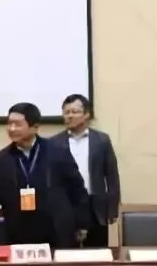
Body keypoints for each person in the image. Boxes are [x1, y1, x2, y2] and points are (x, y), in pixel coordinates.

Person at [0, 102, 89, 248]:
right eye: (9, 124)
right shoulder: (1, 159)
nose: (12, 129)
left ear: (34, 127)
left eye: (17, 124)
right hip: (19, 233)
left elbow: (77, 189)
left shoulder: (57, 152)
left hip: (57, 231)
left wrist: (82, 223)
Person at [49, 93, 121, 247]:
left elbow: (112, 176)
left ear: (86, 114)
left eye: (74, 112)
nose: (69, 116)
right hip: (67, 204)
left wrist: (112, 208)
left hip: (95, 205)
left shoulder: (101, 140)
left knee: (97, 252)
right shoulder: (53, 143)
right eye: (66, 112)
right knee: (66, 251)